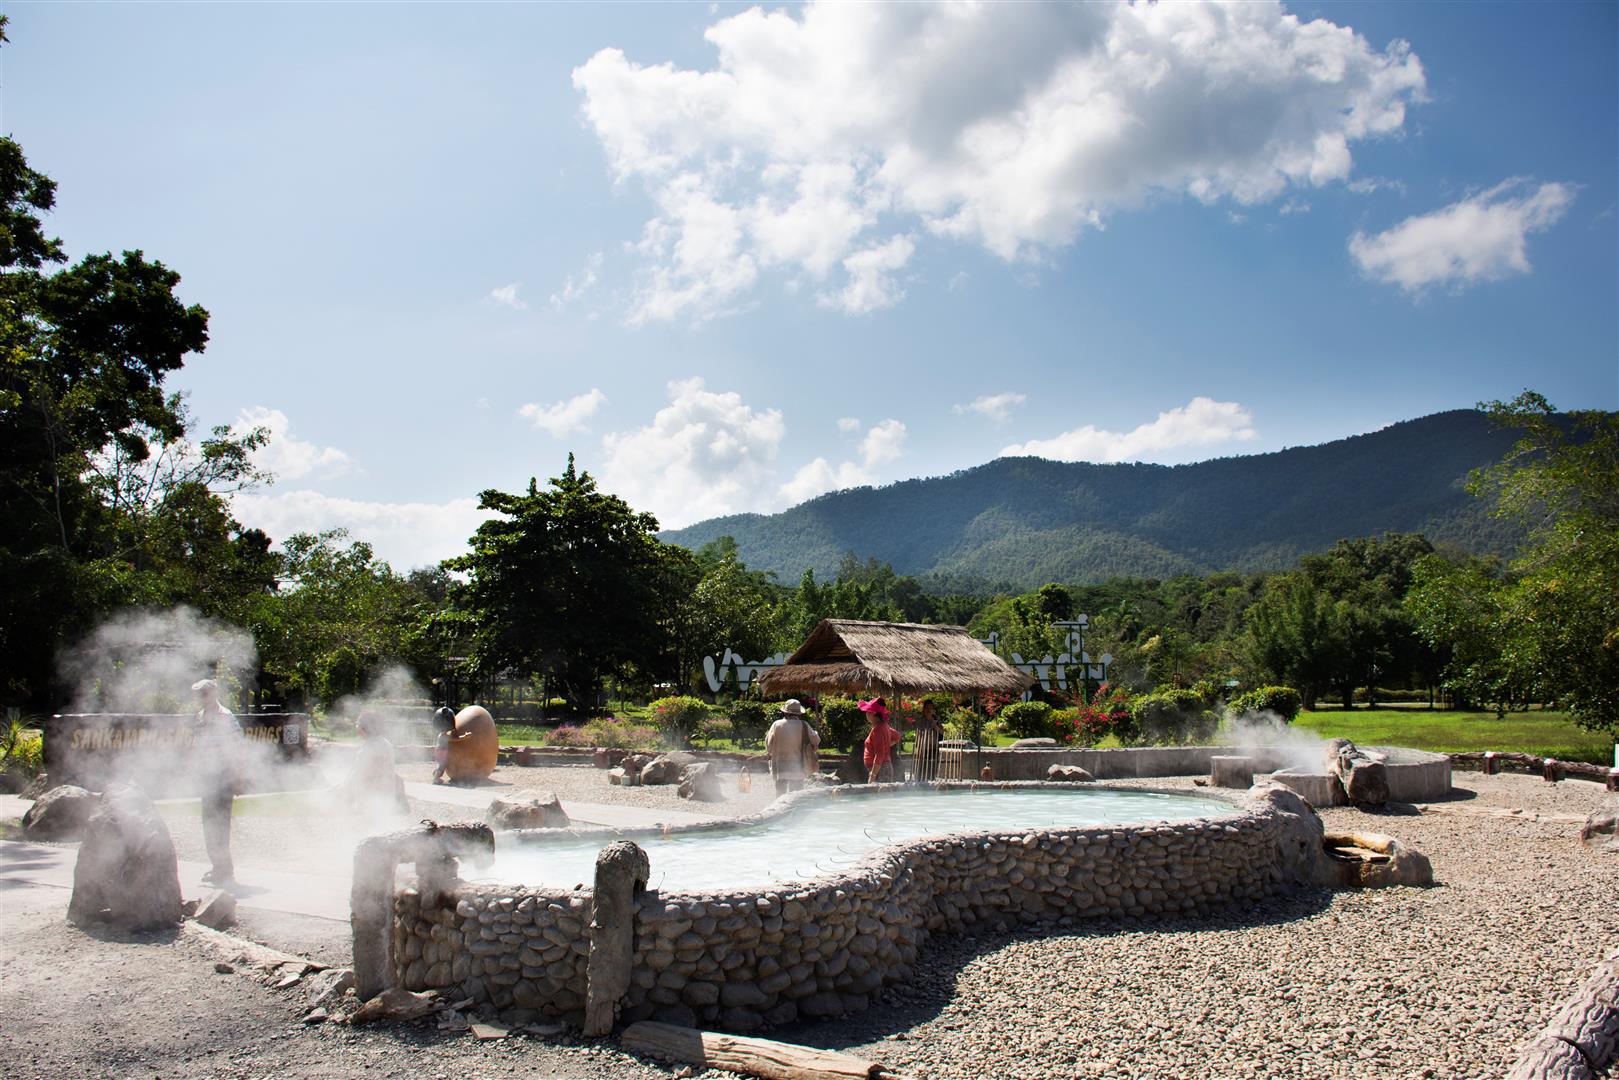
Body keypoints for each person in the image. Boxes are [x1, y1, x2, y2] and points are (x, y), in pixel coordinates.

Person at [191, 679, 243, 887]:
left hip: (223, 775)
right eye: (199, 694)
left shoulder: (226, 717)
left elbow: (238, 747)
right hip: (207, 776)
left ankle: (225, 869)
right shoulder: (200, 717)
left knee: (220, 824)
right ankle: (217, 866)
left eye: (204, 693)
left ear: (213, 694)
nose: (201, 698)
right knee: (208, 823)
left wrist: (238, 777)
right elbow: (197, 746)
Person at [765, 699, 820, 795]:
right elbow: (816, 741)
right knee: (795, 795)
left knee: (780, 793)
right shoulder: (804, 725)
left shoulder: (776, 725)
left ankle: (779, 809)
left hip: (779, 766)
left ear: (785, 712)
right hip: (797, 766)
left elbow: (768, 744)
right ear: (799, 714)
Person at [861, 697, 902, 783]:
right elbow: (897, 736)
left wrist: (873, 775)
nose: (866, 714)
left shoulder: (878, 729)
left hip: (881, 770)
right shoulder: (884, 726)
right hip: (883, 768)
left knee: (880, 795)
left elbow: (879, 755)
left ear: (874, 713)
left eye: (868, 711)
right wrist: (886, 745)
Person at [913, 699, 943, 781]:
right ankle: (921, 781)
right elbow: (919, 732)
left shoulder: (937, 719)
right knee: (923, 766)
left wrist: (935, 726)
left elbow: (942, 732)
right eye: (927, 708)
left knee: (933, 766)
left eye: (930, 708)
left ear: (933, 709)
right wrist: (930, 727)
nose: (929, 710)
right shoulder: (921, 720)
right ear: (924, 709)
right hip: (923, 747)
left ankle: (932, 780)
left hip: (934, 747)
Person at [431, 707, 455, 785]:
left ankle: (435, 776)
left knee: (441, 765)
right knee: (441, 765)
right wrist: (465, 737)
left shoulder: (441, 734)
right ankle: (435, 778)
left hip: (439, 751)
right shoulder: (444, 735)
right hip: (442, 751)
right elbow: (454, 740)